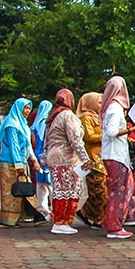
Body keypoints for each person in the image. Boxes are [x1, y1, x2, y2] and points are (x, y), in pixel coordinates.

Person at [100, 76, 135, 239]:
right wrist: (132, 129)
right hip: (115, 156)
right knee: (118, 192)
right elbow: (112, 132)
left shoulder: (111, 108)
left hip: (114, 155)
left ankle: (113, 223)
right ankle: (114, 227)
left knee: (117, 190)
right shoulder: (115, 108)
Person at [44, 89, 91, 235]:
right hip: (66, 158)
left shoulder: (54, 116)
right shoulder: (68, 116)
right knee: (68, 190)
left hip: (55, 157)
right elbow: (75, 140)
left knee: (60, 190)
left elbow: (47, 140)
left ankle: (58, 219)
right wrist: (85, 159)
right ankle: (61, 221)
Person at [0, 97, 44, 228]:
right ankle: (8, 220)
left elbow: (27, 146)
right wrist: (18, 165)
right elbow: (14, 146)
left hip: (21, 163)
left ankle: (34, 215)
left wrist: (33, 160)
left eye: (29, 108)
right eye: (25, 108)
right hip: (10, 164)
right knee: (11, 193)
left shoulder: (23, 125)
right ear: (18, 108)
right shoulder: (12, 125)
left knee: (23, 189)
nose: (27, 111)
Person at [76, 92, 106, 228]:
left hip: (102, 157)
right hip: (93, 158)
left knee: (103, 189)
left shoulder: (100, 117)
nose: (101, 105)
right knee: (98, 190)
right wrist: (106, 135)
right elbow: (88, 136)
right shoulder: (86, 117)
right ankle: (95, 217)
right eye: (99, 102)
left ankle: (88, 214)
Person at [30, 99, 53, 220]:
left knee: (40, 184)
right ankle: (54, 209)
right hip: (46, 155)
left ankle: (42, 209)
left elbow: (33, 142)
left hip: (37, 155)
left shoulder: (35, 124)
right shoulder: (47, 123)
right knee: (50, 184)